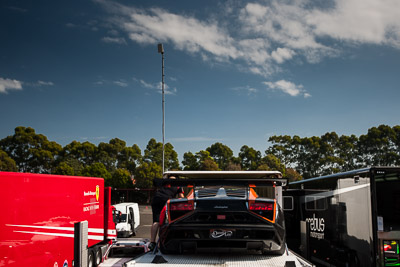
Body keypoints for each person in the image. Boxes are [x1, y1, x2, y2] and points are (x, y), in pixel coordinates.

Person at [149, 176, 184, 251]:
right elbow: (181, 197)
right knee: (169, 221)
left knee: (156, 221)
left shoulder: (163, 182)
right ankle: (164, 241)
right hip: (166, 200)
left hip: (156, 199)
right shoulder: (178, 185)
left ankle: (152, 242)